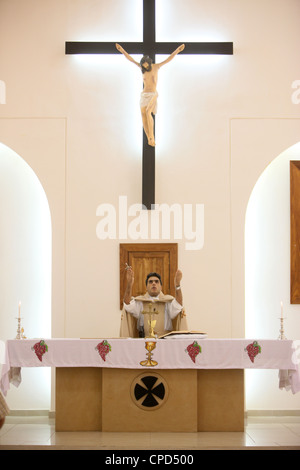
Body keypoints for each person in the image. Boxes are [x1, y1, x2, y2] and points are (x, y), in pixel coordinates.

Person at [116, 43, 185, 147]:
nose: (145, 67)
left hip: (153, 94)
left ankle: (152, 136)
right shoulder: (141, 68)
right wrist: (122, 50)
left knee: (148, 112)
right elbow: (130, 59)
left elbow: (168, 59)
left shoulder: (156, 67)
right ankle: (149, 138)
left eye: (146, 65)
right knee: (143, 115)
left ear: (149, 62)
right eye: (143, 66)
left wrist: (177, 50)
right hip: (144, 95)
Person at [120, 267, 187, 338]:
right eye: (150, 282)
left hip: (165, 342)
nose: (154, 283)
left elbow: (178, 305)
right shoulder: (141, 302)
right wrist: (129, 284)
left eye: (156, 281)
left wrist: (177, 285)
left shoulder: (168, 301)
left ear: (161, 287)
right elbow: (127, 304)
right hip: (145, 342)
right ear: (146, 287)